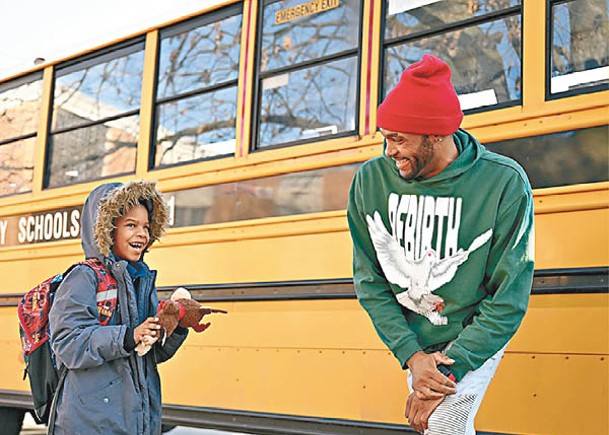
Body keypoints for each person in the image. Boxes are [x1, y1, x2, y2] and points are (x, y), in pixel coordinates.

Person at [347, 54, 534, 434]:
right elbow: (371, 281)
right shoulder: (371, 181)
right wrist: (414, 357)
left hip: (474, 330)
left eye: (399, 139)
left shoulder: (503, 183)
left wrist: (448, 370)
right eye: (386, 138)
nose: (389, 151)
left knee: (441, 421)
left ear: (436, 135)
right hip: (417, 337)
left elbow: (508, 297)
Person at [48, 180, 188, 434]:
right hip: (91, 423)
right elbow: (68, 344)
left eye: (146, 226)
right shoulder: (84, 277)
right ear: (107, 229)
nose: (142, 234)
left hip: (136, 421)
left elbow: (150, 354)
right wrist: (128, 336)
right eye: (131, 225)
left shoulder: (141, 280)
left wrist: (174, 328)